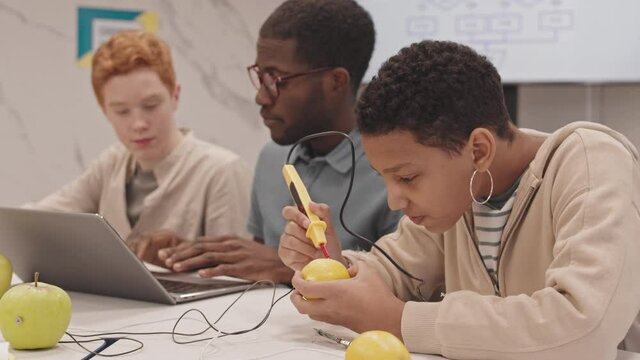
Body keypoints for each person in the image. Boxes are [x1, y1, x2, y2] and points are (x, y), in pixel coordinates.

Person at [279, 40, 640, 359]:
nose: (394, 201)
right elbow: (396, 272)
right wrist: (334, 267)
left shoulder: (591, 163)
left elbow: (583, 329)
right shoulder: (458, 198)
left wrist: (398, 320)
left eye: (407, 178)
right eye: (384, 178)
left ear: (478, 150)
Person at [138, 0, 401, 283]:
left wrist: (287, 268)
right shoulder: (272, 156)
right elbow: (259, 269)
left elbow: (409, 289)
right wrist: (190, 257)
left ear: (336, 82)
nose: (261, 97)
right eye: (260, 77)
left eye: (276, 79)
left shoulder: (395, 171)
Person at [28, 30, 252, 262]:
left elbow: (235, 276)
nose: (138, 124)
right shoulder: (111, 163)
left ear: (175, 96)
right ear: (105, 111)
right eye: (121, 111)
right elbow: (36, 219)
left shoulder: (223, 171)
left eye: (151, 105)